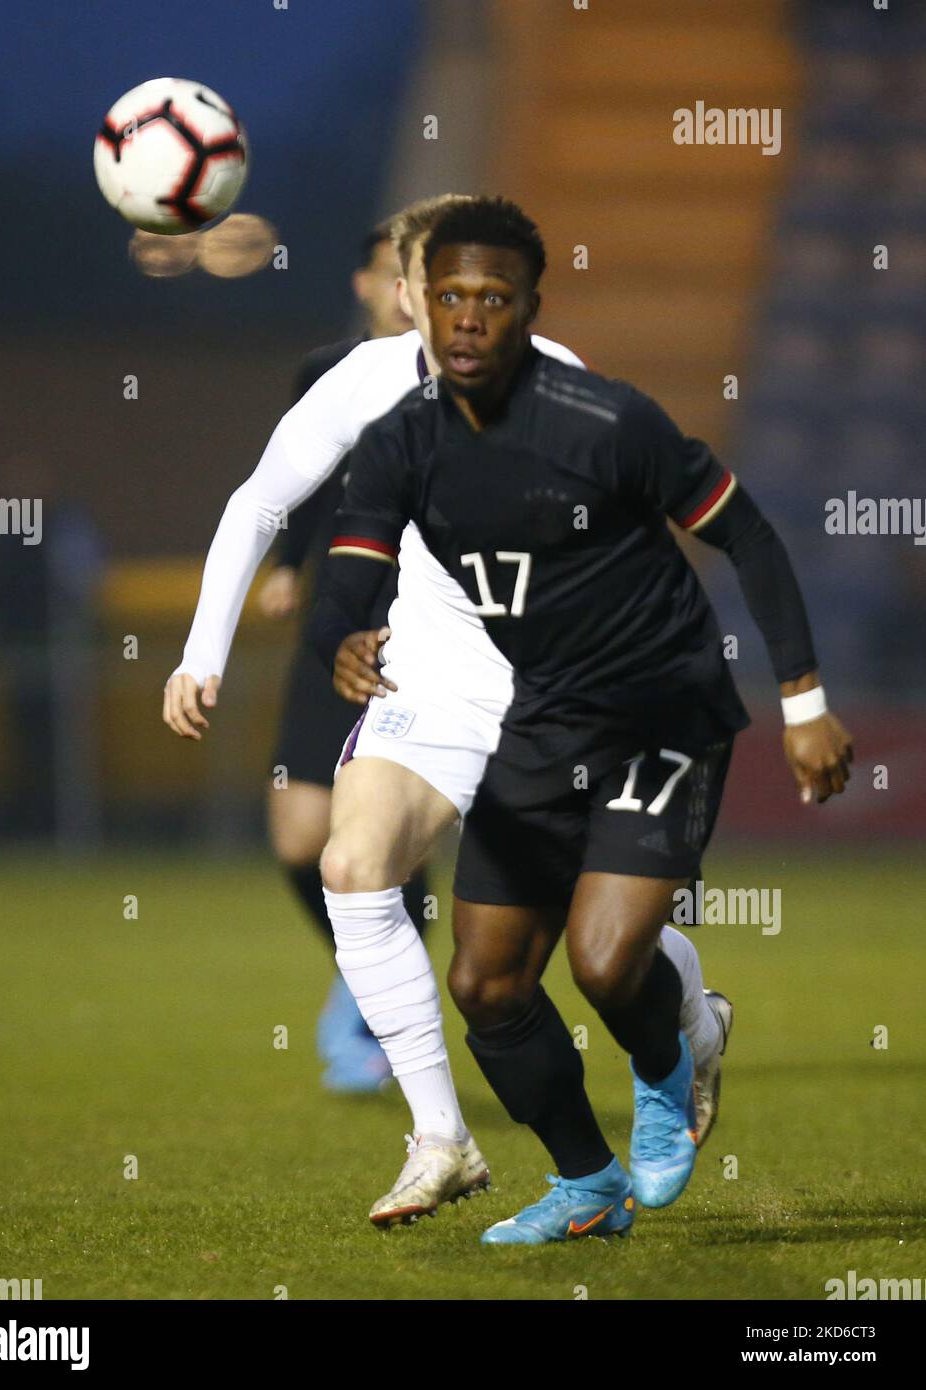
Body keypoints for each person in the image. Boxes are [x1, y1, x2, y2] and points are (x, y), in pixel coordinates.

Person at [163, 194, 729, 1229]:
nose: (431, 304)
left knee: (589, 942)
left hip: (550, 695)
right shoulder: (368, 383)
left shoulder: (555, 383)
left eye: (454, 286)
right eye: (417, 285)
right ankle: (440, 1137)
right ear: (406, 294)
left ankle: (689, 1017)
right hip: (427, 686)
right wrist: (201, 653)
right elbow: (262, 503)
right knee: (349, 863)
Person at [310, 196, 853, 1245]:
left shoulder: (605, 422)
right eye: (451, 296)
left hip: (662, 711)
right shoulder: (401, 445)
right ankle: (584, 1181)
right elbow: (349, 570)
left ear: (530, 311)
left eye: (494, 299)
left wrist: (804, 703)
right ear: (418, 303)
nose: (469, 318)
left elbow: (748, 535)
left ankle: (666, 1072)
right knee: (485, 981)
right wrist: (341, 632)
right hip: (544, 718)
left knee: (603, 961)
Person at [256, 222, 420, 1093]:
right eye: (395, 272)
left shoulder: (457, 381)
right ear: (365, 282)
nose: (407, 289)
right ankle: (368, 970)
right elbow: (302, 481)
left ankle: (387, 1008)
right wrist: (286, 567)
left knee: (394, 839)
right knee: (296, 832)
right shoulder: (327, 372)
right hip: (336, 619)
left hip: (422, 632)